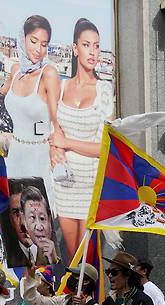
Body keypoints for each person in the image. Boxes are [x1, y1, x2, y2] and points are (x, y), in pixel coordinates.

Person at [48, 17, 114, 258]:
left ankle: (90, 296)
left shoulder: (103, 89)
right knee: (72, 256)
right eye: (87, 45)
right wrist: (55, 151)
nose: (93, 52)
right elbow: (53, 133)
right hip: (64, 183)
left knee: (89, 257)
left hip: (90, 184)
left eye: (97, 45)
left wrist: (67, 144)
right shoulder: (62, 87)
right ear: (75, 48)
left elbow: (104, 147)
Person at [0, 15, 62, 201]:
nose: (38, 49)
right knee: (14, 220)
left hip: (39, 157)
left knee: (38, 219)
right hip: (15, 153)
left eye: (44, 44)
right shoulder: (15, 70)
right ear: (22, 38)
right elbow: (1, 95)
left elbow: (58, 121)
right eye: (34, 41)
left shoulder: (48, 73)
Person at [4, 180, 40, 268]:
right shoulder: (6, 258)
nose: (23, 224)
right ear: (10, 219)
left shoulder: (53, 253)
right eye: (15, 213)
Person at [21, 185, 59, 265]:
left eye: (42, 218)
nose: (39, 227)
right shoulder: (21, 261)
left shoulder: (61, 255)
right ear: (24, 221)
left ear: (49, 219)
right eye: (32, 218)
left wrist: (54, 260)